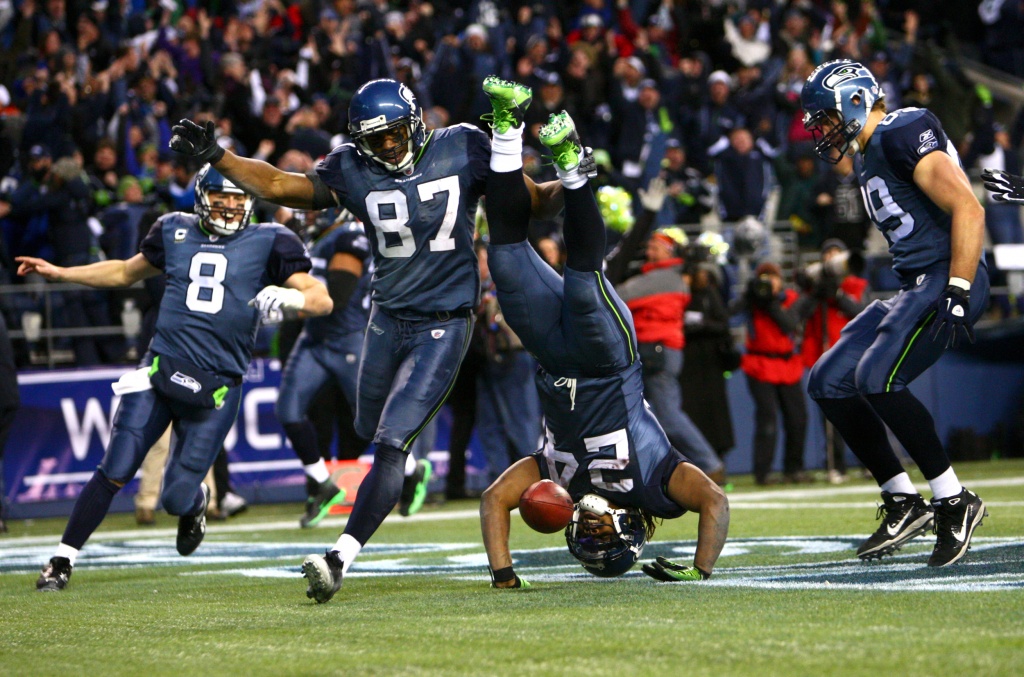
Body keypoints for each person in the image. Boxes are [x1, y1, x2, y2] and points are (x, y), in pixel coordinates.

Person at [169, 77, 561, 603]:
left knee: (390, 442)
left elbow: (533, 203)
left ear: (416, 123)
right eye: (377, 140)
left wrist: (575, 180)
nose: (390, 147)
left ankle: (339, 557)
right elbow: (280, 185)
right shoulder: (351, 166)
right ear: (359, 141)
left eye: (396, 135)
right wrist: (220, 155)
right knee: (365, 425)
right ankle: (404, 471)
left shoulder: (463, 143)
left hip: (446, 320)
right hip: (385, 316)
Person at [19, 165, 332, 591]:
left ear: (250, 201)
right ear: (203, 197)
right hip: (160, 369)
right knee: (116, 466)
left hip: (218, 385)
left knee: (176, 498)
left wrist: (295, 297)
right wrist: (60, 272)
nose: (229, 205)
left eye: (237, 197)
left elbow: (322, 299)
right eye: (220, 197)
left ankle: (197, 502)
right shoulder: (173, 229)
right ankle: (61, 560)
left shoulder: (271, 241)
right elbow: (125, 273)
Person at [478, 109, 729, 588]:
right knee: (583, 277)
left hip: (550, 356)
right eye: (603, 539)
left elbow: (494, 498)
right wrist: (700, 571)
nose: (592, 531)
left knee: (506, 258)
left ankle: (506, 129)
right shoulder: (657, 487)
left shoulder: (560, 481)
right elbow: (715, 499)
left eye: (586, 540)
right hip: (609, 359)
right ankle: (572, 169)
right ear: (631, 532)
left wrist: (504, 575)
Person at [801, 60, 989, 567]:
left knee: (877, 375)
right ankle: (903, 501)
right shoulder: (867, 156)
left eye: (823, 118)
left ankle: (954, 501)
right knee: (828, 377)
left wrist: (958, 286)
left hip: (949, 275)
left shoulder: (902, 128)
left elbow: (970, 209)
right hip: (914, 283)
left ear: (855, 101)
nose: (820, 131)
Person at [794, 239, 868, 484]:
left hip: (852, 355)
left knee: (862, 411)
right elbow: (798, 313)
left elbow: (862, 312)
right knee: (830, 415)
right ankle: (836, 465)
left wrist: (837, 295)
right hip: (824, 357)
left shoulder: (855, 284)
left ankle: (870, 462)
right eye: (829, 256)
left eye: (838, 256)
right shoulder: (814, 288)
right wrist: (817, 292)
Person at [733, 262, 809, 486]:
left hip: (787, 363)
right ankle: (763, 473)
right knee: (767, 420)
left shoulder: (789, 298)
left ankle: (793, 468)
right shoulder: (752, 301)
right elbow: (730, 313)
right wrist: (749, 295)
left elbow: (789, 324)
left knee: (798, 418)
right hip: (759, 363)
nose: (768, 282)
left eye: (772, 277)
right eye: (763, 277)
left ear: (780, 280)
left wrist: (771, 303)